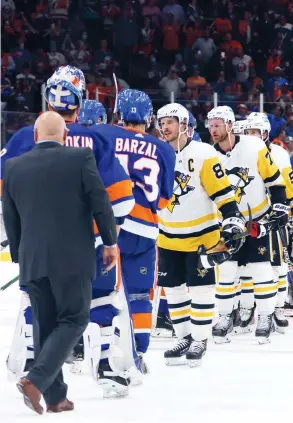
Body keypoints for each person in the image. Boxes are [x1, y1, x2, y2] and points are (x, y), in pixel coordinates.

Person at [2, 66, 134, 390]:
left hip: (36, 244)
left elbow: (5, 196)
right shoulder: (95, 140)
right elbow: (120, 202)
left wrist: (12, 240)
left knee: (39, 303)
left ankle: (35, 362)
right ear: (81, 99)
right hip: (84, 244)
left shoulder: (23, 138)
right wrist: (108, 238)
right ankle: (107, 368)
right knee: (101, 301)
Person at [92, 89, 176, 387]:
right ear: (149, 117)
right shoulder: (165, 149)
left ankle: (94, 352)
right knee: (140, 296)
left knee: (100, 293)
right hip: (143, 231)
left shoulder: (102, 134)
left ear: (116, 113)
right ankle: (137, 354)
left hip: (107, 225)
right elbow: (164, 200)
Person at [156, 103, 245, 363]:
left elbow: (222, 191)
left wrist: (232, 217)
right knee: (173, 290)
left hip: (202, 236)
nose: (165, 127)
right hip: (167, 235)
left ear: (184, 124)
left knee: (201, 289)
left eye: (170, 121)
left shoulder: (204, 153)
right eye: (161, 123)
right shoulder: (159, 153)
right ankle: (184, 337)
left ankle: (199, 339)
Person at [208, 106, 289, 343]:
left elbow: (274, 179)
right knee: (226, 271)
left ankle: (265, 316)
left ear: (230, 125)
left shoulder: (254, 147)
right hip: (226, 222)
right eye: (210, 125)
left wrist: (281, 205)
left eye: (218, 125)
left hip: (257, 219)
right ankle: (224, 316)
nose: (213, 130)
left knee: (261, 268)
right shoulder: (209, 155)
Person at [241, 112, 293, 332]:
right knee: (245, 268)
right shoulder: (240, 152)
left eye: (254, 132)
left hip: (274, 218)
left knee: (278, 267)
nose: (250, 136)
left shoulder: (278, 154)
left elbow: (289, 187)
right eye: (248, 132)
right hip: (246, 218)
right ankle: (246, 308)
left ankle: (277, 308)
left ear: (264, 133)